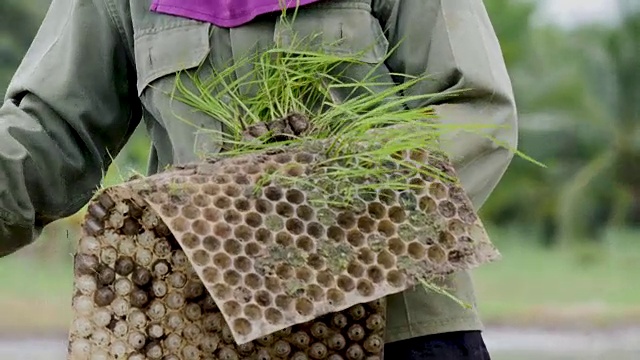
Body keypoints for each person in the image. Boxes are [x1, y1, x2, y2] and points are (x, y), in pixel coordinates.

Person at [0, 0, 517, 358]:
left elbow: (474, 112)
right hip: (201, 331)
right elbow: (51, 133)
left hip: (398, 331)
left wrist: (310, 218)